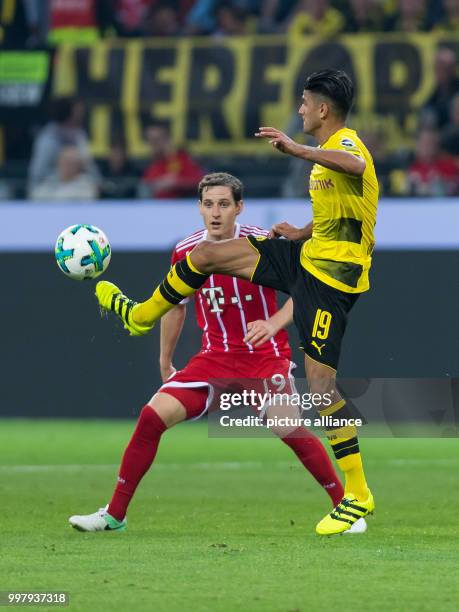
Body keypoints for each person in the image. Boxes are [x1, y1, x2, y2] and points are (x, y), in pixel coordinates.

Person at [94, 70, 378, 536]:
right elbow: (344, 212)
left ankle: (357, 495)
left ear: (324, 109)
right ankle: (141, 314)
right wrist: (303, 231)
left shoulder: (344, 146)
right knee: (203, 255)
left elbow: (358, 168)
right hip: (304, 259)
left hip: (331, 282)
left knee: (323, 388)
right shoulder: (323, 164)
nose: (301, 109)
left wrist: (296, 148)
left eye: (305, 103)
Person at [69, 172, 366, 534]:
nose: (215, 212)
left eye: (224, 204)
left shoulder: (262, 242)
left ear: (239, 207)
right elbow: (176, 304)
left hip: (264, 357)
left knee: (288, 427)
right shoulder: (186, 250)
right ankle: (114, 515)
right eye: (208, 204)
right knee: (151, 417)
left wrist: (273, 324)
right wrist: (165, 361)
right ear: (199, 207)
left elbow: (305, 291)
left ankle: (346, 509)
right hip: (213, 360)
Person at [139, 123, 205, 199]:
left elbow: (201, 183)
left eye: (157, 140)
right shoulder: (149, 166)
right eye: (149, 140)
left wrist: (176, 182)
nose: (153, 145)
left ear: (168, 139)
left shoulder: (183, 159)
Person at [30, 146, 98, 201]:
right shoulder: (51, 179)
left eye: (70, 164)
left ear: (78, 167)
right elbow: (36, 195)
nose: (65, 167)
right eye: (63, 162)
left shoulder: (85, 184)